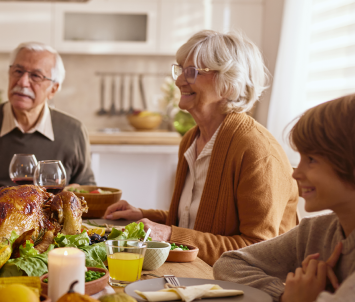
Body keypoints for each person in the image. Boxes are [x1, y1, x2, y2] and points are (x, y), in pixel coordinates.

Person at [214, 93, 355, 302]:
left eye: (312, 160)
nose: (296, 173)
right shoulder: (317, 231)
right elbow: (229, 264)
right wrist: (286, 295)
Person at [104, 30, 298, 265]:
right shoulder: (192, 139)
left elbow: (257, 249)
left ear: (228, 84)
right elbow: (196, 223)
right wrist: (145, 216)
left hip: (244, 288)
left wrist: (168, 234)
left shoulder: (257, 152)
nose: (178, 81)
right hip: (199, 273)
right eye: (180, 70)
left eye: (192, 72)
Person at [0, 42, 96, 195]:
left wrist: (75, 193)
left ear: (53, 89)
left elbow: (87, 189)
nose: (22, 82)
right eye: (18, 71)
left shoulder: (73, 131)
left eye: (36, 76)